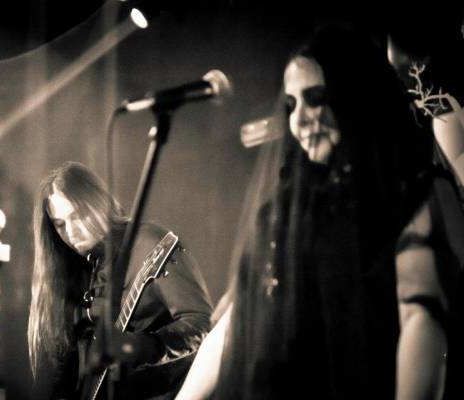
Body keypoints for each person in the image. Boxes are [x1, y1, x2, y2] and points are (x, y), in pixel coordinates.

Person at [176, 25, 464, 400]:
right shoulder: (288, 210)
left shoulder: (412, 193)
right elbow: (235, 322)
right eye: (291, 105)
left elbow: (420, 320)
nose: (300, 120)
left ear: (355, 97)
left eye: (315, 98)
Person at [27, 161, 213, 400]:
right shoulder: (79, 269)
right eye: (60, 224)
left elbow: (201, 322)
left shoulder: (148, 242)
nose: (71, 232)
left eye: (78, 216)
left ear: (99, 204)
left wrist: (138, 345)